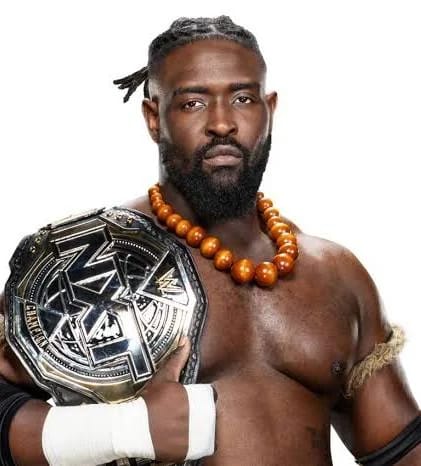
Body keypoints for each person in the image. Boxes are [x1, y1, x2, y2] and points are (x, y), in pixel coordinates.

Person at [0, 14, 420, 466]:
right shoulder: (85, 260)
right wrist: (120, 431)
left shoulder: (336, 275)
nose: (222, 123)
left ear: (269, 109)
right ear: (153, 118)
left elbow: (400, 450)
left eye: (242, 98)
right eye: (193, 103)